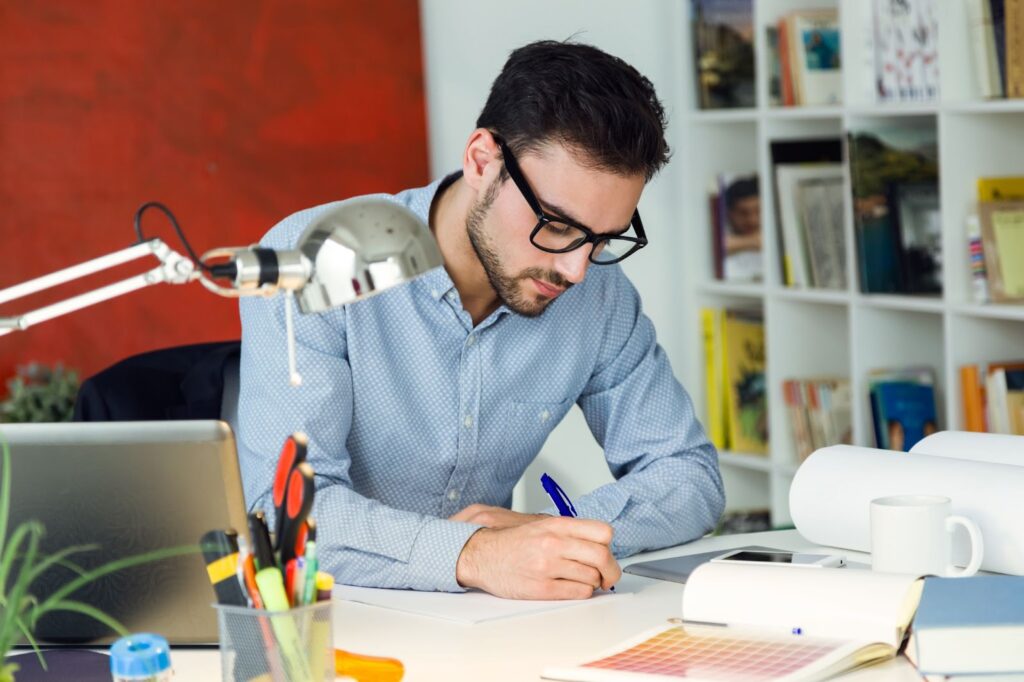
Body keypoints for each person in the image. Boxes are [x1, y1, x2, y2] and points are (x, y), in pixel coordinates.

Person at [237, 40, 725, 601]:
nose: (576, 270)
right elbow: (288, 512)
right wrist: (474, 554)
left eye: (602, 239)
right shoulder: (317, 258)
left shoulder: (599, 296)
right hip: (332, 620)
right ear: (481, 162)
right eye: (557, 225)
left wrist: (555, 535)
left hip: (491, 629)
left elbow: (690, 476)